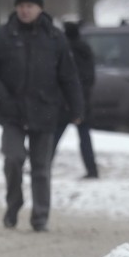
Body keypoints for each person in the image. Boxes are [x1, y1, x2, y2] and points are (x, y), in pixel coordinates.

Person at [0, 0, 84, 232]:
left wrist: (77, 107)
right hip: (12, 112)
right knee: (13, 158)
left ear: (40, 8)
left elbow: (68, 76)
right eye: (21, 6)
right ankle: (14, 204)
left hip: (45, 110)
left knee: (41, 168)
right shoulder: (2, 36)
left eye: (29, 6)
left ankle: (40, 217)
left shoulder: (55, 38)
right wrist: (3, 97)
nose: (25, 10)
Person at [53, 21, 99, 179]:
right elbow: (89, 77)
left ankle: (42, 166)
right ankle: (92, 170)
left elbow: (63, 77)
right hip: (82, 100)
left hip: (66, 101)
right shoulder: (85, 49)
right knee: (84, 138)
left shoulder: (64, 50)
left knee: (55, 137)